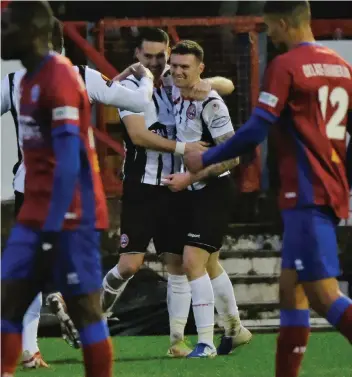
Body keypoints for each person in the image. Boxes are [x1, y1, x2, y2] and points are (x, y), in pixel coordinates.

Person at [185, 1, 352, 375]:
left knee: (324, 296)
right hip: (327, 189)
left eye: (270, 27)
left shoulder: (286, 65)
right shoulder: (342, 68)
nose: (270, 34)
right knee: (290, 291)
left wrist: (206, 158)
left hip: (306, 193)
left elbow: (257, 128)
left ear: (282, 23)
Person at [1, 16, 154, 368]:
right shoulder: (23, 80)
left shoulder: (66, 77)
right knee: (11, 293)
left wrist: (53, 222)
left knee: (83, 306)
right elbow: (137, 101)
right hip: (34, 200)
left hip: (69, 207)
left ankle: (36, 341)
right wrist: (143, 79)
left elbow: (69, 159)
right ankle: (25, 352)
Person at [100, 27, 236, 357]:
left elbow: (226, 85)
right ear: (136, 55)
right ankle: (93, 315)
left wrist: (210, 83)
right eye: (148, 56)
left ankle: (180, 339)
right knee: (130, 265)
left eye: (161, 55)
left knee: (180, 263)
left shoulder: (175, 83)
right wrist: (183, 147)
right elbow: (138, 136)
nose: (157, 62)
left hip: (173, 187)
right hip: (140, 188)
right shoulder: (130, 88)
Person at [160, 40, 252, 358]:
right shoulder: (171, 85)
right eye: (174, 66)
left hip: (213, 189)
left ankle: (206, 343)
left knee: (192, 261)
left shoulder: (211, 104)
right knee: (210, 263)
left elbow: (235, 156)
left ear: (200, 69)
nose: (178, 72)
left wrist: (191, 177)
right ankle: (235, 329)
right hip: (187, 192)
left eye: (186, 67)